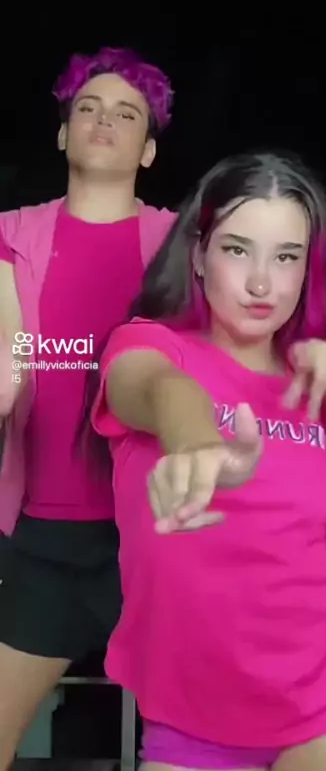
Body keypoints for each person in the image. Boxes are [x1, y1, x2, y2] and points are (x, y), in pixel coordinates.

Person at [91, 151, 326, 771]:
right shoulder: (149, 345)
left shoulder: (317, 378)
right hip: (192, 716)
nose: (263, 283)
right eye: (238, 250)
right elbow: (157, 388)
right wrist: (195, 442)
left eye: (286, 257)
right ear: (198, 255)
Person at [0, 46, 176, 768]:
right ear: (62, 133)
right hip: (41, 539)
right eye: (88, 109)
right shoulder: (11, 235)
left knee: (199, 746)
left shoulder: (184, 244)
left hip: (156, 540)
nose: (105, 121)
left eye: (127, 114)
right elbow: (9, 357)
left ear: (149, 149)